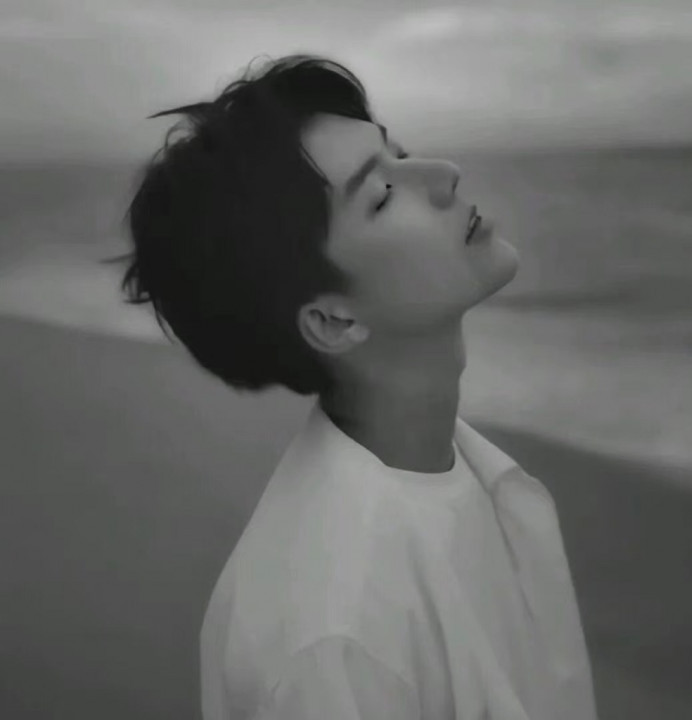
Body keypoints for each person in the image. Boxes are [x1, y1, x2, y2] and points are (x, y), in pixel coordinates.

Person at [109, 53, 598, 719]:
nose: (444, 174)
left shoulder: (466, 475)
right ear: (333, 320)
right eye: (383, 194)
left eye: (400, 154)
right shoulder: (333, 640)